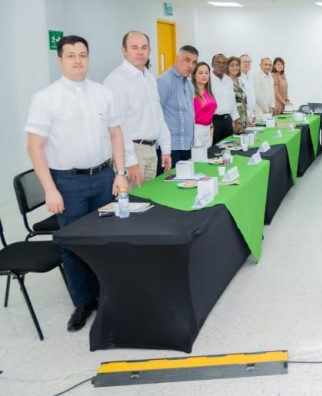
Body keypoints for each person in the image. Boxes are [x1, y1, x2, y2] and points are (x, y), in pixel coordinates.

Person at [25, 35, 127, 332]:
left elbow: (116, 134)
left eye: (82, 54)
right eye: (71, 55)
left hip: (104, 177)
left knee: (107, 238)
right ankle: (83, 302)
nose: (78, 60)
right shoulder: (46, 98)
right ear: (60, 60)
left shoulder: (102, 93)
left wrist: (120, 173)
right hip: (68, 182)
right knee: (73, 243)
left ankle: (107, 293)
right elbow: (35, 148)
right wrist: (49, 189)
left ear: (88, 58)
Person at [103, 31, 171, 187]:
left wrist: (166, 149)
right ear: (124, 51)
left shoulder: (150, 78)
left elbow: (158, 116)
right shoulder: (116, 80)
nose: (140, 52)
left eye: (144, 47)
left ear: (149, 50)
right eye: (134, 47)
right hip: (132, 152)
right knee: (132, 199)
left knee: (148, 198)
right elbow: (118, 126)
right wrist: (130, 161)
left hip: (152, 150)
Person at [156, 45, 198, 172]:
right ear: (177, 58)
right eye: (187, 60)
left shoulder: (189, 84)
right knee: (168, 183)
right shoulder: (164, 81)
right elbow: (157, 116)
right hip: (170, 149)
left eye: (194, 62)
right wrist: (165, 149)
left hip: (186, 146)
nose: (190, 65)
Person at [210, 53, 241, 143]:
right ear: (212, 64)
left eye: (224, 63)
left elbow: (232, 102)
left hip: (227, 121)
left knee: (228, 146)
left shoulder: (228, 80)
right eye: (218, 62)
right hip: (213, 121)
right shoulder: (208, 79)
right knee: (214, 148)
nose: (221, 65)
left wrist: (236, 121)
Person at [191, 62, 217, 150]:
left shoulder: (209, 92)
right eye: (200, 73)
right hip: (195, 131)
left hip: (208, 130)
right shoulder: (191, 92)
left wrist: (211, 130)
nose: (204, 75)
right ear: (194, 75)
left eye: (206, 73)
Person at [227, 56, 249, 125]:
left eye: (237, 65)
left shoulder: (240, 80)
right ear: (227, 67)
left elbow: (244, 101)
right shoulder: (226, 82)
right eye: (232, 65)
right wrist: (234, 121)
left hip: (244, 118)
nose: (235, 67)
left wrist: (247, 118)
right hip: (233, 120)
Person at [239, 54, 257, 124]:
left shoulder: (250, 77)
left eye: (249, 62)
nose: (247, 64)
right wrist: (245, 117)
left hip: (251, 115)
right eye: (244, 62)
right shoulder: (238, 78)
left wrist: (253, 114)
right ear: (239, 63)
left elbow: (252, 97)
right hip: (242, 116)